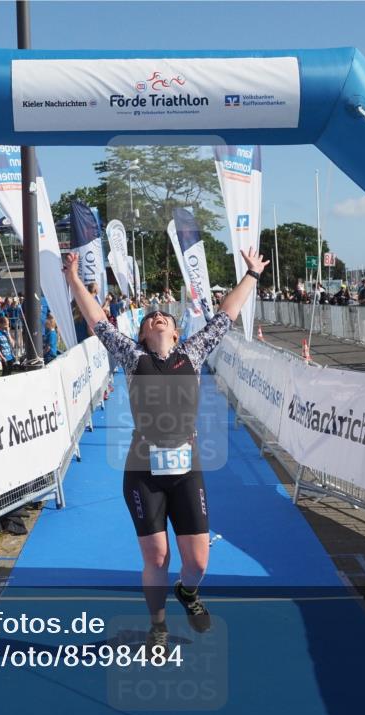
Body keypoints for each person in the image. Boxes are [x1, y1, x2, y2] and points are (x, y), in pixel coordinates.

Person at [63, 244, 268, 654]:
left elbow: (225, 316)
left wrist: (252, 275)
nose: (157, 317)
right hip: (143, 470)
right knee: (156, 556)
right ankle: (157, 625)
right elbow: (98, 321)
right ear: (141, 333)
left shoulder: (192, 354)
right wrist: (72, 279)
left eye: (165, 317)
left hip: (186, 468)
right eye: (149, 317)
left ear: (176, 332)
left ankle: (188, 593)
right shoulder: (132, 355)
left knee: (197, 563)